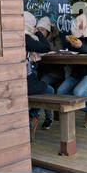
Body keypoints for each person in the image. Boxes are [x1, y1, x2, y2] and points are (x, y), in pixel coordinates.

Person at [56, 13, 87, 128]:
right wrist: (70, 46)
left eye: (82, 23)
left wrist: (81, 45)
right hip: (78, 72)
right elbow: (74, 50)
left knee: (78, 92)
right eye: (78, 23)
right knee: (61, 92)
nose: (80, 25)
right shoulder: (78, 35)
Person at [24, 11, 54, 141]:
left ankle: (33, 117)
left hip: (20, 80)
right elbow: (46, 47)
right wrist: (36, 32)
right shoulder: (25, 37)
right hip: (25, 83)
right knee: (50, 90)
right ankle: (35, 117)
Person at [35, 16, 66, 129]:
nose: (39, 32)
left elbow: (59, 51)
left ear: (48, 31)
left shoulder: (55, 38)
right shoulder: (35, 38)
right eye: (38, 29)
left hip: (55, 72)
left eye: (42, 30)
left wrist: (46, 47)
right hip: (41, 71)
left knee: (43, 83)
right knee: (37, 83)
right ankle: (34, 116)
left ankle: (48, 118)